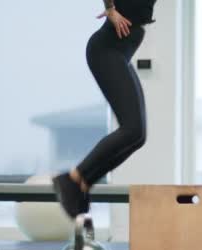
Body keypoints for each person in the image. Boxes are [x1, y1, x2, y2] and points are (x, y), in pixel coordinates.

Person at [53, 0, 157, 218]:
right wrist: (110, 9)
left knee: (138, 135)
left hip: (120, 54)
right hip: (106, 51)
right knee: (131, 128)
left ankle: (82, 184)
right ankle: (72, 179)